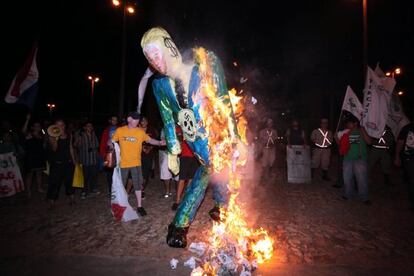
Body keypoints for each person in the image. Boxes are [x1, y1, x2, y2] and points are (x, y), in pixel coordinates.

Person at [139, 27, 239, 247]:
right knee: (213, 170)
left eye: (156, 55)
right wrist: (173, 151)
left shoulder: (204, 66)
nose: (155, 62)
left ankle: (182, 224)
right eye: (149, 58)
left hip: (216, 135)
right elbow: (168, 119)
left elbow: (223, 100)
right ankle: (219, 209)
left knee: (211, 171)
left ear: (168, 47)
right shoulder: (159, 85)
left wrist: (235, 136)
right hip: (194, 141)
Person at [109, 111, 165, 217]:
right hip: (123, 164)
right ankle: (121, 205)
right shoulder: (120, 130)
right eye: (135, 119)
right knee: (121, 185)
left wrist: (159, 142)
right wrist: (110, 145)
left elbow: (150, 140)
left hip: (136, 163)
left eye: (138, 119)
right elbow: (111, 141)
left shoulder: (140, 132)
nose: (137, 121)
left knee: (138, 185)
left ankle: (139, 206)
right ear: (129, 119)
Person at [337, 117, 372, 205]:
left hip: (359, 159)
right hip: (347, 158)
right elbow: (342, 145)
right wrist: (336, 138)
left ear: (355, 123)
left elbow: (369, 142)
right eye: (347, 124)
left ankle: (364, 197)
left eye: (349, 123)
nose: (347, 125)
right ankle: (348, 194)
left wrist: (363, 130)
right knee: (347, 178)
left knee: (361, 179)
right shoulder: (346, 132)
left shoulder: (361, 131)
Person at [46, 119, 76, 209]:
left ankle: (71, 198)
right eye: (58, 125)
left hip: (68, 162)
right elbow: (54, 149)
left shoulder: (69, 135)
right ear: (55, 126)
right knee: (54, 183)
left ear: (64, 126)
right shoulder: (52, 136)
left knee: (69, 181)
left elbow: (70, 148)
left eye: (62, 125)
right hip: (57, 164)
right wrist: (56, 138)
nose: (60, 127)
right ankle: (52, 202)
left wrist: (74, 160)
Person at [172, 126, 200, 210]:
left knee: (191, 179)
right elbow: (176, 140)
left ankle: (186, 199)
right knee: (182, 179)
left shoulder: (196, 127)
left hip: (195, 156)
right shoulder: (179, 128)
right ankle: (177, 201)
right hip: (184, 156)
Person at [22, 118, 46, 197]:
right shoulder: (29, 134)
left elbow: (45, 134)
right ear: (32, 127)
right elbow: (23, 131)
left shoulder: (41, 135)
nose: (37, 127)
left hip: (40, 156)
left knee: (39, 173)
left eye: (38, 126)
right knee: (30, 175)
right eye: (35, 126)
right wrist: (28, 119)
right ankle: (28, 190)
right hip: (31, 157)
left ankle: (39, 187)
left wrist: (42, 129)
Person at [394, 122, 414, 211]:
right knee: (412, 180)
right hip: (409, 158)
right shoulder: (408, 128)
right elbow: (400, 142)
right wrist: (397, 156)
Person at [77, 122, 100, 199]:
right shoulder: (81, 135)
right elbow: (76, 145)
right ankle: (84, 191)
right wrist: (78, 139)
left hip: (93, 159)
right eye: (88, 126)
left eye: (91, 126)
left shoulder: (94, 135)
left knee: (93, 175)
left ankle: (93, 189)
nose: (90, 127)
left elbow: (97, 145)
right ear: (85, 127)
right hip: (85, 160)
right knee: (85, 176)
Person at [99, 115, 119, 197]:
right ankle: (110, 191)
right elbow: (103, 143)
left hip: (118, 154)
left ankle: (117, 190)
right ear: (110, 121)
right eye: (113, 120)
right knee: (109, 173)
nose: (114, 121)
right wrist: (103, 155)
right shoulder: (106, 131)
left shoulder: (120, 129)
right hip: (108, 154)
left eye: (116, 120)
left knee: (118, 173)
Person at [139, 116, 158, 199]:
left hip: (148, 155)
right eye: (142, 121)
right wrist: (142, 148)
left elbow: (155, 141)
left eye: (145, 121)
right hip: (138, 155)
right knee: (138, 173)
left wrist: (149, 149)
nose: (144, 122)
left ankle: (142, 190)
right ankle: (137, 189)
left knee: (145, 174)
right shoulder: (137, 130)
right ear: (140, 122)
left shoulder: (151, 130)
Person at [159, 128, 178, 199]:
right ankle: (167, 191)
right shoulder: (165, 128)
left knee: (178, 174)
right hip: (167, 153)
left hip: (177, 154)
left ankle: (177, 192)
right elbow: (162, 139)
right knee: (165, 171)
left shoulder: (179, 127)